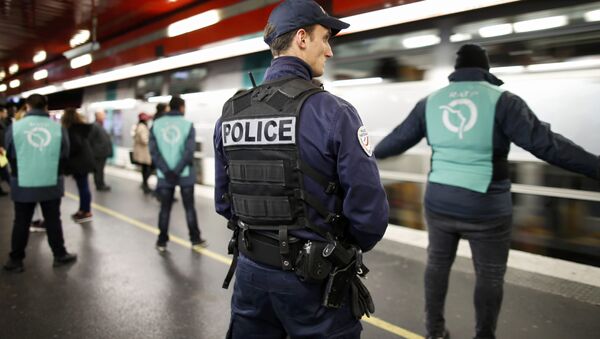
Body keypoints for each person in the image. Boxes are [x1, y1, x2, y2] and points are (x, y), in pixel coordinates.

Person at [373, 44, 600, 339]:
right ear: (486, 70)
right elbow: (548, 146)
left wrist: (368, 152)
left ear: (456, 72)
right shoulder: (504, 101)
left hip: (440, 202)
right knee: (489, 275)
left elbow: (390, 145)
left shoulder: (430, 102)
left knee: (437, 266)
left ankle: (435, 332)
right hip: (487, 208)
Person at [213, 1, 389, 337]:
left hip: (250, 274)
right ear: (302, 38)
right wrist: (338, 246)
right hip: (313, 281)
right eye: (325, 38)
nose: (329, 50)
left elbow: (224, 203)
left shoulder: (231, 113)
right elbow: (370, 213)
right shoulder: (333, 112)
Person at [3, 94, 77, 272]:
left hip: (22, 182)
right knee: (53, 220)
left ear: (27, 107)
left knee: (21, 221)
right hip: (50, 182)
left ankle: (16, 261)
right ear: (46, 107)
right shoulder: (57, 128)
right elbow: (65, 153)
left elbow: (9, 153)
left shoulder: (15, 127)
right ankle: (59, 255)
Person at [149, 96, 205, 251]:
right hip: (185, 174)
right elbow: (189, 151)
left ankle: (161, 241)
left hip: (164, 176)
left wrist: (167, 171)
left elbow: (154, 151)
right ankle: (195, 239)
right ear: (181, 107)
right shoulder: (187, 125)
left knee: (165, 209)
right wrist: (178, 170)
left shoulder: (156, 124)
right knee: (189, 208)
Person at [61, 107, 95, 224]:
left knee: (83, 187)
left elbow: (75, 146)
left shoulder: (72, 130)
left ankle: (86, 211)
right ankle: (82, 210)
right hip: (84, 161)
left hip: (80, 163)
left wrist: (66, 154)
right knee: (83, 187)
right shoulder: (82, 128)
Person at [89, 110, 113, 191]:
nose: (104, 117)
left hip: (102, 152)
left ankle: (101, 183)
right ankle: (99, 185)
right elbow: (91, 139)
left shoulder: (100, 125)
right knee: (98, 170)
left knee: (101, 169)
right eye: (102, 115)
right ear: (97, 116)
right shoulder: (94, 126)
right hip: (98, 153)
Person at [133, 112, 154, 194]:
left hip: (142, 151)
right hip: (144, 152)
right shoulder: (142, 127)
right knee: (147, 169)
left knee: (145, 169)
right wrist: (151, 141)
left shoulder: (139, 126)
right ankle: (145, 185)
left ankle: (145, 184)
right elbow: (144, 140)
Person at [0, 107, 10, 196]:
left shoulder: (2, 122)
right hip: (0, 150)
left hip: (2, 149)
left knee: (3, 169)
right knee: (4, 169)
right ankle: (14, 186)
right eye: (5, 112)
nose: (6, 114)